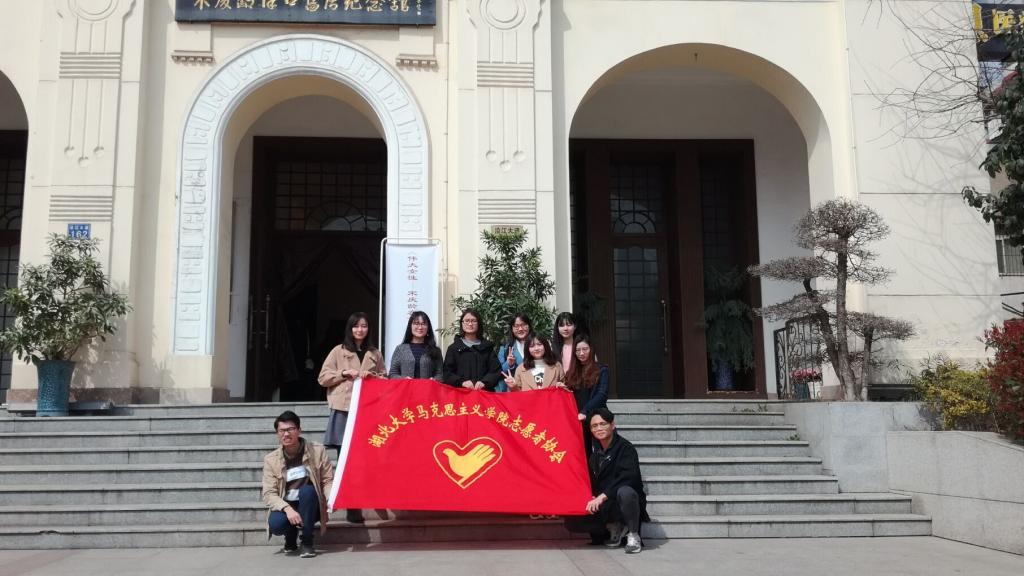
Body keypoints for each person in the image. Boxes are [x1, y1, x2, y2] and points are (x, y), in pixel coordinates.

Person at [318, 311, 385, 524]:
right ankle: (352, 506)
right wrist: (343, 374)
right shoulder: (338, 351)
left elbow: (385, 379)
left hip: (368, 410)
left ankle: (373, 496)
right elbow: (323, 378)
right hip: (344, 409)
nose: (360, 330)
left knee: (369, 455)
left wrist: (372, 377)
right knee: (345, 458)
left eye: (364, 326)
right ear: (350, 328)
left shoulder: (375, 353)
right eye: (356, 326)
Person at [565, 408, 648, 554]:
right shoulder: (595, 452)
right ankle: (613, 526)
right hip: (605, 502)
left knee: (626, 492)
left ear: (612, 425)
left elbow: (628, 477)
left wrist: (602, 496)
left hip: (621, 500)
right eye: (594, 426)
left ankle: (633, 535)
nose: (599, 428)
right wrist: (589, 495)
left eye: (603, 424)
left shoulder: (626, 448)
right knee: (573, 516)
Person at [262, 411, 334, 558]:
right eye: (282, 430)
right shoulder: (271, 459)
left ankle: (307, 542)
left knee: (307, 491)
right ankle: (290, 536)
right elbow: (269, 493)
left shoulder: (317, 451)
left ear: (299, 430)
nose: (286, 434)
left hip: (310, 505)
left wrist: (331, 498)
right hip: (287, 505)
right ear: (277, 433)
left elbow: (327, 480)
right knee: (276, 525)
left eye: (290, 429)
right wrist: (287, 509)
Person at [567, 335, 609, 455]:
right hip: (578, 420)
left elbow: (602, 394)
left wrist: (585, 411)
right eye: (578, 350)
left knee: (602, 452)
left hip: (596, 417)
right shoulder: (571, 373)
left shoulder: (601, 369)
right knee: (582, 454)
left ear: (591, 349)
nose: (581, 353)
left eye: (585, 349)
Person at [441, 308, 503, 390]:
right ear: (462, 323)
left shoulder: (487, 347)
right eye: (467, 321)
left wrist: (484, 382)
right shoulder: (454, 348)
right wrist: (462, 382)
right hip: (461, 393)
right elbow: (447, 373)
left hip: (484, 393)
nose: (470, 324)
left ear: (479, 324)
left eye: (473, 321)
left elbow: (496, 371)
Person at [388, 311, 443, 380]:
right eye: (416, 323)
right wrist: (403, 379)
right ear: (410, 326)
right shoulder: (400, 349)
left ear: (428, 327)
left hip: (428, 387)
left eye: (423, 324)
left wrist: (434, 380)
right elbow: (393, 373)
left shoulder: (436, 350)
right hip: (406, 386)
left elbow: (440, 374)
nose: (420, 327)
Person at [497, 313, 532, 392]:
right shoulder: (505, 347)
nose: (520, 329)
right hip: (513, 390)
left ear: (529, 326)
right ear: (512, 329)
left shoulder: (537, 345)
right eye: (516, 326)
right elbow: (498, 372)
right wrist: (509, 364)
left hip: (534, 389)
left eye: (523, 325)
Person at [552, 312, 581, 382]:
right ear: (557, 328)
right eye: (562, 325)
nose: (565, 328)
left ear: (575, 326)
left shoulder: (581, 345)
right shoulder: (553, 347)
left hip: (579, 384)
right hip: (559, 385)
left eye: (569, 325)